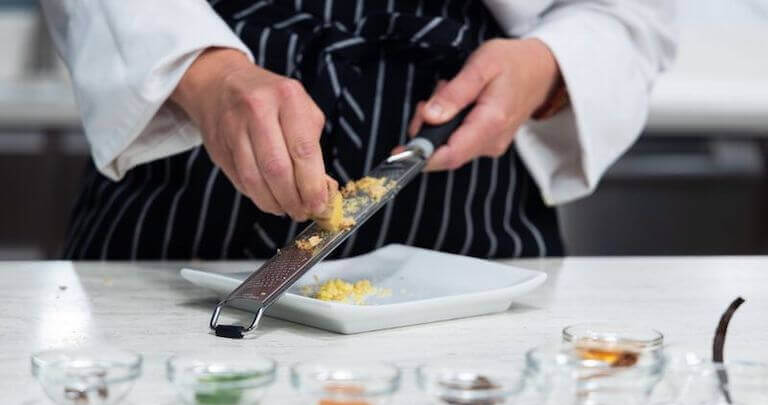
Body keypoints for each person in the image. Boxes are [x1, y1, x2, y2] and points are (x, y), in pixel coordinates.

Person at [41, 0, 676, 260]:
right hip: (172, 204)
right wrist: (205, 78)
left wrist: (546, 66)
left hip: (476, 214)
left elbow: (632, 13)